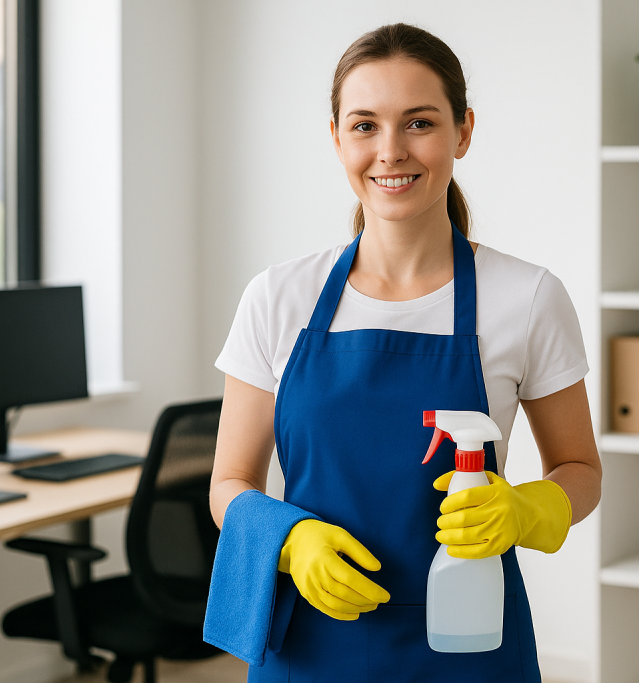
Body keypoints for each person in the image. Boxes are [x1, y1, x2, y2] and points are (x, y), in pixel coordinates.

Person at [205, 22, 601, 682]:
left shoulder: (527, 297)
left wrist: (530, 508)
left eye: (419, 122)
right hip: (309, 646)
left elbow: (580, 468)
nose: (390, 151)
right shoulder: (278, 296)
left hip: (472, 646)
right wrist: (290, 539)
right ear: (336, 137)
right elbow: (228, 485)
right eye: (364, 125)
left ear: (463, 131)